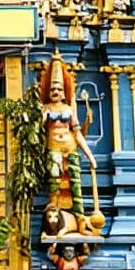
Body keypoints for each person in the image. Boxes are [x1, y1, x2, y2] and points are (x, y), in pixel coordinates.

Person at [42, 52, 98, 235]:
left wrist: (90, 156)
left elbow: (78, 133)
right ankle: (53, 226)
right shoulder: (47, 109)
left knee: (76, 185)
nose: (56, 92)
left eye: (58, 89)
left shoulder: (68, 109)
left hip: (71, 148)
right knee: (54, 184)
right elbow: (39, 129)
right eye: (52, 89)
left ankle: (81, 223)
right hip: (54, 150)